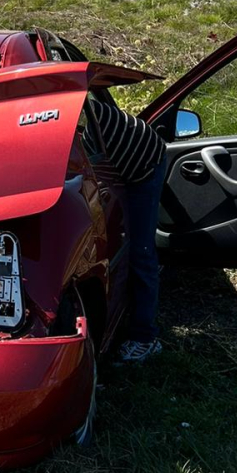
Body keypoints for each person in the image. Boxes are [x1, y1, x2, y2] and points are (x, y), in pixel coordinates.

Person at [88, 92, 168, 365]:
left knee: (140, 250)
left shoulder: (66, 120)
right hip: (123, 152)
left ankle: (145, 338)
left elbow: (102, 186)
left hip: (144, 164)